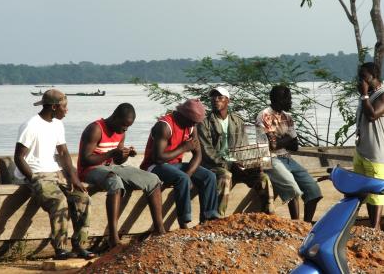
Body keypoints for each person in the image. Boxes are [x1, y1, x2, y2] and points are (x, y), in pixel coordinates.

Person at [14, 89, 95, 260]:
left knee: (83, 198)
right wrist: (34, 179)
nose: (67, 110)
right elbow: (19, 157)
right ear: (53, 107)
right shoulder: (31, 126)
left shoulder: (58, 124)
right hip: (36, 173)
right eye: (64, 107)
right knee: (59, 201)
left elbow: (64, 153)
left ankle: (79, 245)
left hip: (55, 173)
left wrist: (74, 178)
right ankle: (60, 248)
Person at [77, 103, 165, 248]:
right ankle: (113, 237)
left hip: (110, 167)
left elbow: (117, 160)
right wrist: (111, 153)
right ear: (115, 117)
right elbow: (86, 159)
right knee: (114, 181)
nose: (125, 129)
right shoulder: (95, 129)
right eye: (124, 125)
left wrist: (126, 155)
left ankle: (159, 230)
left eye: (128, 126)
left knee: (153, 179)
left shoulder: (121, 132)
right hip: (89, 170)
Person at [140, 99, 220, 229]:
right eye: (192, 121)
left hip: (175, 165)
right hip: (154, 167)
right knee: (181, 178)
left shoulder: (191, 126)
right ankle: (184, 222)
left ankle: (208, 218)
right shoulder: (165, 126)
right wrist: (183, 148)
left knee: (209, 176)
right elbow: (158, 158)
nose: (194, 124)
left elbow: (198, 155)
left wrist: (188, 174)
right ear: (184, 116)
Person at [197, 86, 275, 216]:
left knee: (263, 177)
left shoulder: (237, 120)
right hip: (214, 166)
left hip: (236, 165)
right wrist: (230, 164)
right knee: (225, 176)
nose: (216, 100)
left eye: (220, 97)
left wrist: (251, 164)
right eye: (213, 97)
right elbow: (207, 151)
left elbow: (244, 147)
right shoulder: (204, 123)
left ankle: (269, 215)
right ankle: (217, 218)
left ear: (228, 101)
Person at [256, 85, 322, 222]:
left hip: (286, 157)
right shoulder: (264, 116)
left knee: (314, 191)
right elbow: (271, 145)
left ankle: (306, 225)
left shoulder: (288, 117)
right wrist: (286, 139)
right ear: (277, 100)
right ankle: (296, 223)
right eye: (287, 99)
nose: (290, 102)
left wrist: (280, 141)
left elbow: (295, 145)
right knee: (293, 189)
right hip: (270, 158)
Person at [354, 62, 384, 230]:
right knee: (362, 190)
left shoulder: (381, 94)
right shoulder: (366, 95)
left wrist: (364, 95)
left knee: (376, 191)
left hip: (376, 152)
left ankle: (374, 228)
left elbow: (372, 115)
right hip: (361, 150)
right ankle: (373, 227)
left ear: (374, 76)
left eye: (364, 77)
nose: (361, 81)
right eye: (360, 77)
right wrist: (364, 95)